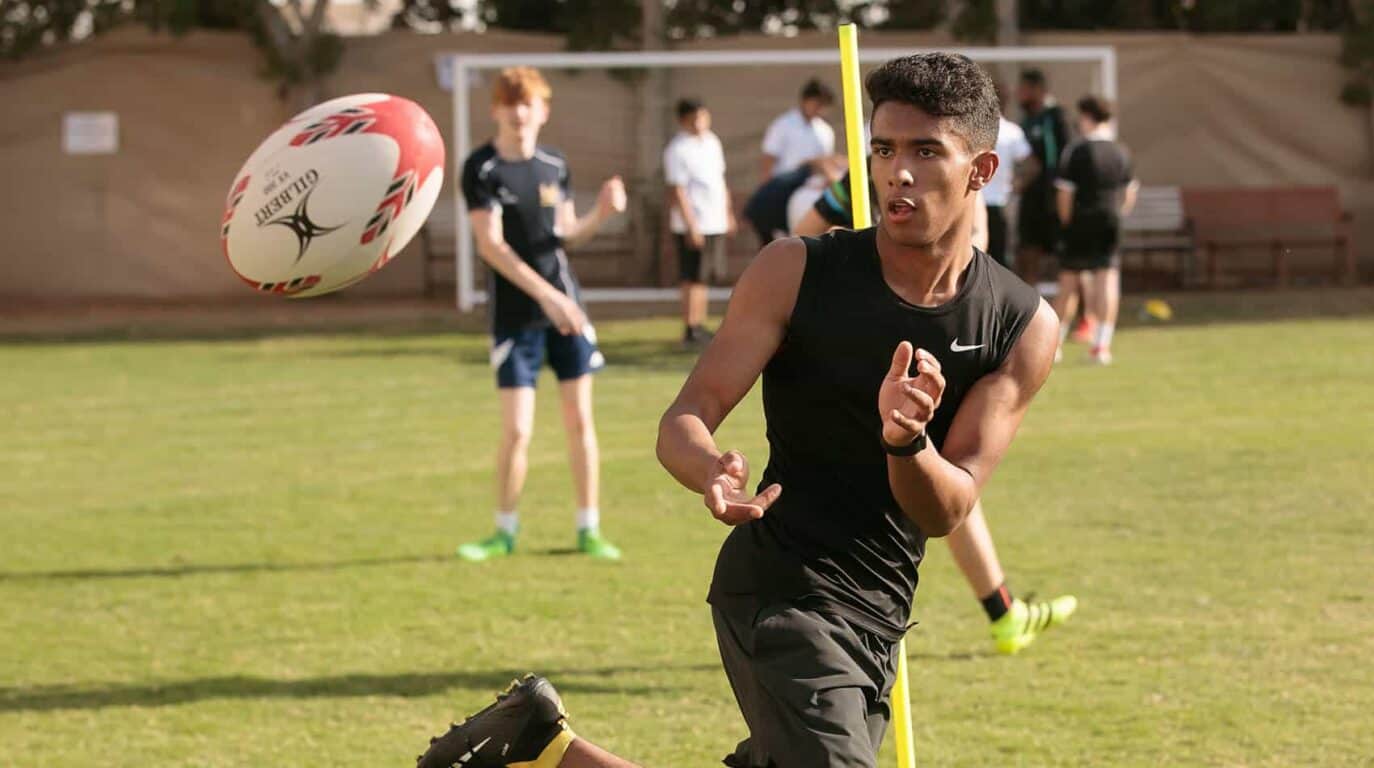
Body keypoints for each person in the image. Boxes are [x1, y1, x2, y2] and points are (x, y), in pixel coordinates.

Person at [418, 53, 1064, 768]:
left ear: (981, 171)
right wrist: (708, 473)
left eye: (924, 151)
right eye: (882, 149)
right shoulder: (795, 272)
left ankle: (541, 749)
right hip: (780, 592)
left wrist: (907, 440)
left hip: (878, 611)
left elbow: (945, 512)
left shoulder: (1022, 325)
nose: (895, 172)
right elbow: (683, 419)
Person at [794, 152, 1076, 658]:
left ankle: (1003, 609)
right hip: (894, 355)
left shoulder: (954, 181)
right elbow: (806, 232)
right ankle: (1002, 611)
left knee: (947, 482)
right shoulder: (867, 177)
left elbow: (975, 257)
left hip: (943, 346)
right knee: (934, 479)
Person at [455, 66, 627, 563]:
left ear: (543, 111)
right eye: (510, 102)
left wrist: (601, 213)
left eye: (527, 102)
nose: (518, 111)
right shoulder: (481, 169)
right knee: (518, 430)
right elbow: (491, 246)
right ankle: (503, 531)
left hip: (568, 312)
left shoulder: (555, 165)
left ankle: (589, 529)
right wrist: (545, 297)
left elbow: (567, 234)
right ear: (496, 110)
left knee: (580, 423)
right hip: (517, 318)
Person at [1054, 95, 1139, 365]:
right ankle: (1101, 345)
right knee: (1108, 278)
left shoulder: (1077, 151)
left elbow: (1065, 194)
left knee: (1068, 282)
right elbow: (1130, 191)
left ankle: (1054, 345)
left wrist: (1066, 223)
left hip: (1081, 220)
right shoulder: (1121, 151)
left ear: (1087, 117)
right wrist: (1118, 214)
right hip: (1110, 220)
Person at [1016, 69, 1095, 343]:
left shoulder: (1056, 117)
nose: (1020, 94)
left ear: (1037, 89)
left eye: (1024, 89)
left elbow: (1066, 159)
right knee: (1028, 255)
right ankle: (1026, 321)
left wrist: (1063, 197)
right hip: (1032, 202)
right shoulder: (1026, 121)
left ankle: (1086, 319)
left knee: (1072, 264)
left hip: (1056, 202)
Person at [663, 98, 735, 346]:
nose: (701, 123)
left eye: (704, 117)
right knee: (691, 275)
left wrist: (728, 212)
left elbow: (720, 179)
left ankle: (699, 323)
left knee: (704, 276)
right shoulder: (677, 149)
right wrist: (691, 225)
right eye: (695, 118)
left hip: (714, 219)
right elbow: (678, 190)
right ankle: (689, 326)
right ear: (683, 120)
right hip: (693, 222)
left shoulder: (712, 142)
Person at [742, 80, 838, 244]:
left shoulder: (825, 131)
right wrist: (766, 195)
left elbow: (825, 164)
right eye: (817, 103)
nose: (819, 109)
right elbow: (768, 160)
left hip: (809, 194)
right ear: (805, 100)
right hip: (781, 191)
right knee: (776, 244)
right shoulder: (783, 125)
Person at [980, 107, 1032, 268]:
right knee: (1000, 255)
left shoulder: (976, 130)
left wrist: (1018, 184)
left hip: (984, 200)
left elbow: (1031, 164)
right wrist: (1017, 184)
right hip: (1000, 201)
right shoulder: (1011, 132)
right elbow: (1031, 164)